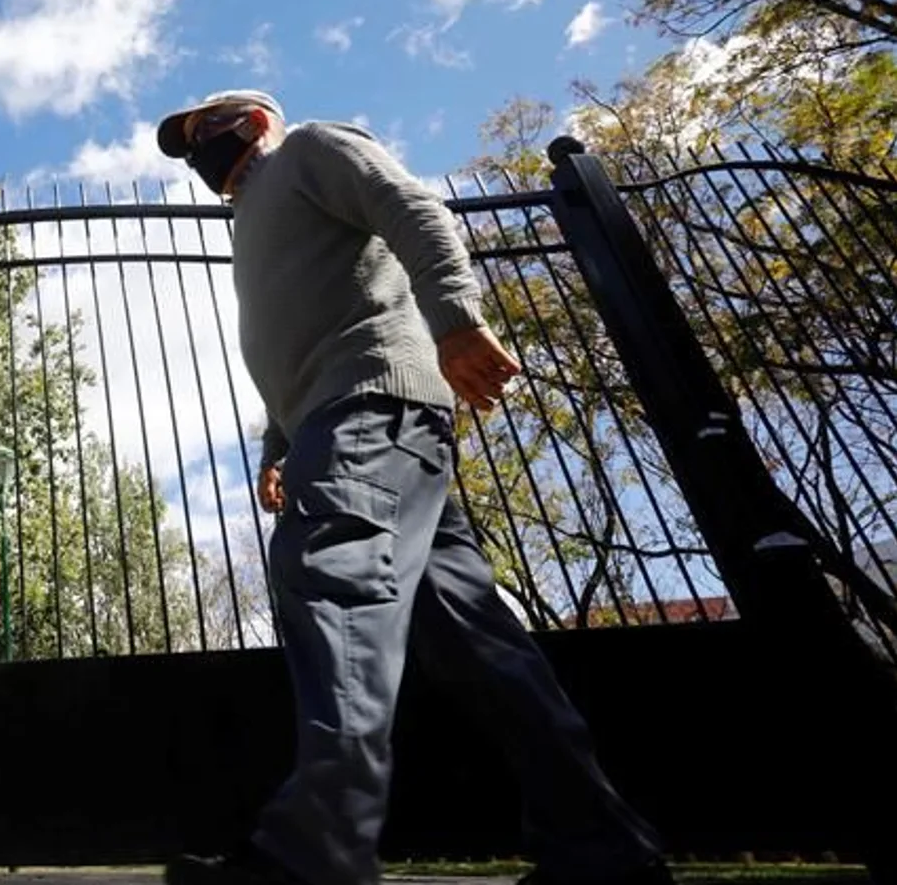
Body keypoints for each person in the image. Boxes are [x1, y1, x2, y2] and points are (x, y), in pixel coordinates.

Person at [154, 90, 671, 885]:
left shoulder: (310, 150)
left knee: (332, 576)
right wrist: (277, 443)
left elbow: (413, 207)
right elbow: (287, 346)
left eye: (207, 132)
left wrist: (455, 317)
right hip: (343, 418)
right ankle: (602, 846)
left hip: (368, 404)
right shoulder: (251, 223)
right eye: (188, 148)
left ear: (257, 121)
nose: (199, 154)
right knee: (475, 639)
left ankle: (317, 848)